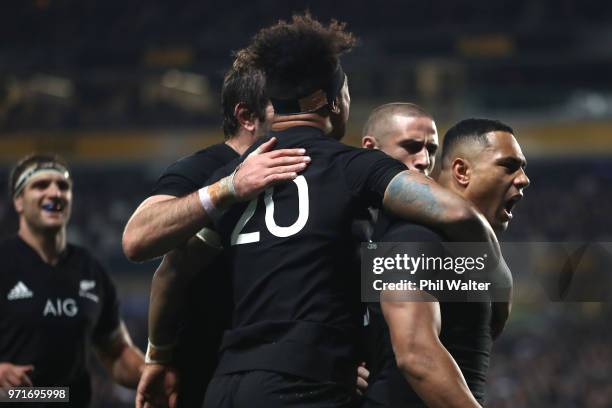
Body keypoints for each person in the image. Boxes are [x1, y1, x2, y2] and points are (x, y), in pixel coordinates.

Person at [196, 14, 501, 407]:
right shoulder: (354, 167)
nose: (424, 161)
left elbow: (172, 270)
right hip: (302, 384)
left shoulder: (231, 179)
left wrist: (159, 354)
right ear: (332, 100)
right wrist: (495, 281)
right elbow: (458, 215)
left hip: (224, 385)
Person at [370, 118, 530, 407]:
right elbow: (416, 356)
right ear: (462, 171)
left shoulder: (468, 251)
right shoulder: (415, 237)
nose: (522, 179)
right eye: (508, 166)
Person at [0, 154, 145, 407]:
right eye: (41, 185)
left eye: (63, 186)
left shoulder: (90, 270)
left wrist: (151, 373)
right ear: (18, 201)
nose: (55, 193)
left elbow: (117, 353)